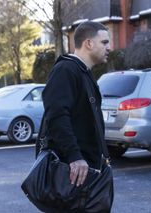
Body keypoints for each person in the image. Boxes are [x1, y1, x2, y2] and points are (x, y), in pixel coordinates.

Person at [41, 21, 111, 211]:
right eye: (104, 42)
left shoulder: (83, 73)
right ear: (88, 43)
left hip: (87, 174)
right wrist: (75, 157)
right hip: (73, 174)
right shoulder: (66, 70)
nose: (109, 48)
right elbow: (56, 116)